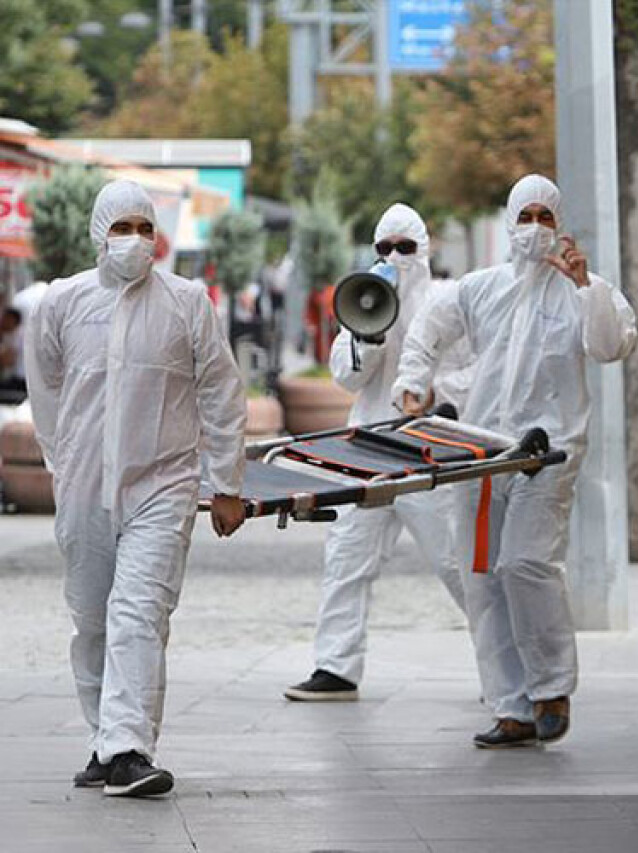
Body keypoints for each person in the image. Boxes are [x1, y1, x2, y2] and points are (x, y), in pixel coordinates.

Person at [393, 174, 636, 748]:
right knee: (482, 575)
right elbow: (427, 329)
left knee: (526, 564)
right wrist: (411, 384)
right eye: (523, 217)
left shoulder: (587, 289)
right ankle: (511, 707)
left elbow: (611, 345)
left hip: (547, 453)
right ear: (508, 222)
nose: (533, 229)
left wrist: (584, 287)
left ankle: (552, 688)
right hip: (481, 453)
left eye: (543, 217)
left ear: (559, 224)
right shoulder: (480, 289)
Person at [25, 179, 247, 798]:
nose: (135, 240)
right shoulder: (62, 302)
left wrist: (226, 482)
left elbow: (222, 394)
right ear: (99, 233)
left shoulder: (186, 302)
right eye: (122, 228)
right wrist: (60, 462)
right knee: (92, 617)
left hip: (164, 483)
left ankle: (128, 748)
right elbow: (44, 388)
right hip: (84, 484)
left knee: (138, 612)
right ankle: (104, 739)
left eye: (145, 228)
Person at [285, 203, 474, 701]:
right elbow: (346, 377)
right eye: (384, 248)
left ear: (425, 250)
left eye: (405, 248)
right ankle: (335, 667)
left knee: (456, 562)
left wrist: (439, 394)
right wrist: (369, 329)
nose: (394, 257)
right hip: (369, 448)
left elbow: (477, 369)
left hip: (429, 454)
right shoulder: (364, 302)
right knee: (347, 557)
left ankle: (504, 666)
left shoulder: (449, 302)